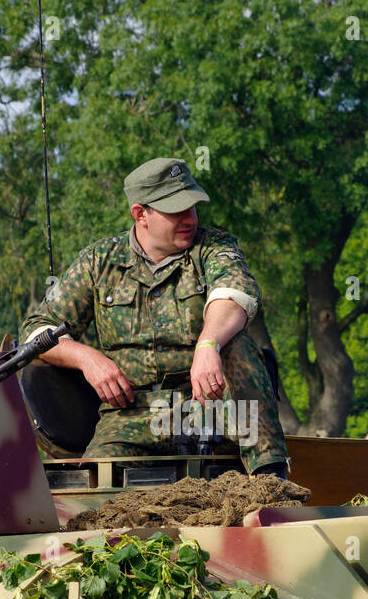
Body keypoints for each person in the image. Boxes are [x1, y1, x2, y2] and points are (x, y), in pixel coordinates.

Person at [19, 157, 288, 476]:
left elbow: (234, 295)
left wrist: (207, 346)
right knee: (92, 493)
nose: (190, 218)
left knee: (236, 345)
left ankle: (270, 477)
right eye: (176, 210)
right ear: (140, 214)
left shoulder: (212, 247)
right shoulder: (99, 261)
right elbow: (37, 331)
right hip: (131, 416)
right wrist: (86, 358)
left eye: (193, 207)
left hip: (210, 411)